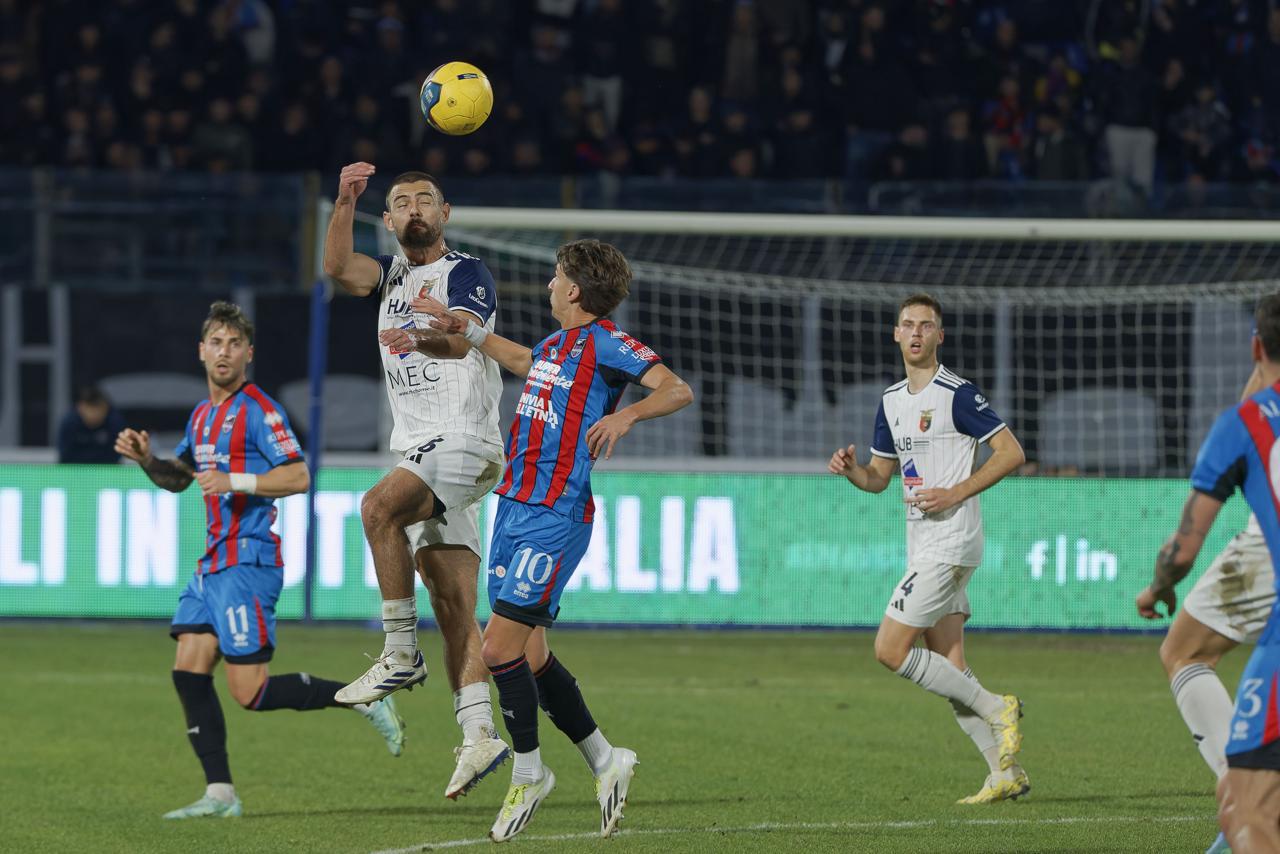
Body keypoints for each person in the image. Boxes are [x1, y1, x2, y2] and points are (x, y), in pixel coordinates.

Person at [400, 238, 694, 841]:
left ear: (576, 289)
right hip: (514, 507)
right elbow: (523, 360)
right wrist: (465, 329)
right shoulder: (557, 347)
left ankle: (530, 772)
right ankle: (606, 759)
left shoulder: (606, 342)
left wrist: (626, 415)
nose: (551, 284)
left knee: (497, 650)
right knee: (529, 656)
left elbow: (676, 388)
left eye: (558, 276)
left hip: (554, 516)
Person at [113, 301, 404, 820]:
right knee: (188, 670)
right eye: (216, 343)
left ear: (248, 353)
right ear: (201, 351)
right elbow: (181, 478)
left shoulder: (259, 410)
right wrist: (147, 460)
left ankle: (362, 698)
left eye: (234, 344)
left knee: (249, 691)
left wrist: (237, 480)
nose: (224, 352)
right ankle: (220, 794)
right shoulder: (202, 416)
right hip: (211, 565)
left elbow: (299, 475)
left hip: (248, 563)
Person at [322, 162, 510, 799]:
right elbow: (337, 267)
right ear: (389, 220)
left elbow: (460, 345)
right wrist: (344, 200)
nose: (413, 210)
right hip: (425, 449)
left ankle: (400, 652)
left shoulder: (467, 272)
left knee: (377, 508)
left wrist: (421, 336)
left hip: (463, 438)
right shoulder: (388, 276)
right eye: (401, 203)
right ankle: (480, 733)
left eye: (424, 200)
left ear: (444, 212)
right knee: (452, 602)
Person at [827, 293, 1027, 804]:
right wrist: (852, 471)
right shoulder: (892, 401)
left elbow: (1011, 452)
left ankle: (997, 707)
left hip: (952, 540)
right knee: (949, 665)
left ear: (940, 335)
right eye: (908, 324)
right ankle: (1003, 772)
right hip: (924, 545)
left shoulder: (957, 394)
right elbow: (879, 479)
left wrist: (956, 492)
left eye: (926, 325)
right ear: (896, 334)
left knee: (889, 650)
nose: (916, 332)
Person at [1141, 295, 1280, 853]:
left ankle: (1238, 790)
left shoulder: (1246, 422)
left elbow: (1182, 551)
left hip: (1265, 550)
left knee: (1183, 651)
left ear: (1256, 347)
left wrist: (1158, 587)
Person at [57, 384, 125, 463]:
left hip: (106, 469)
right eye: (91, 409)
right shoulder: (69, 423)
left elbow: (116, 454)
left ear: (106, 408)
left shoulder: (115, 423)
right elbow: (65, 455)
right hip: (75, 469)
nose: (94, 414)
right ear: (80, 408)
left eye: (98, 409)